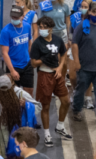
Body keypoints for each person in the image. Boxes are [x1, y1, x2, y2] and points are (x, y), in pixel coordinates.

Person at [30, 16, 71, 146]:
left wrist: (60, 68)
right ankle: (47, 134)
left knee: (66, 101)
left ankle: (60, 126)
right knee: (46, 105)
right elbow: (33, 63)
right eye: (40, 27)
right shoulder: (37, 43)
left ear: (51, 28)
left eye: (44, 27)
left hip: (57, 75)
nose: (42, 29)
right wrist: (43, 59)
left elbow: (63, 53)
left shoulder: (58, 40)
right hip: (44, 75)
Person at [0, 4, 34, 89]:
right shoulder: (5, 31)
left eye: (16, 18)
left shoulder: (27, 27)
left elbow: (29, 43)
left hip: (27, 65)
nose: (14, 19)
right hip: (13, 66)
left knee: (29, 94)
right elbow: (4, 53)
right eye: (13, 17)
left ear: (23, 16)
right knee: (14, 94)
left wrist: (31, 59)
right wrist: (12, 71)